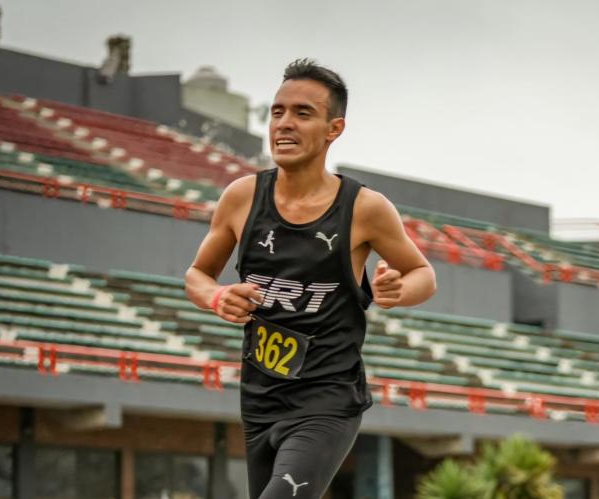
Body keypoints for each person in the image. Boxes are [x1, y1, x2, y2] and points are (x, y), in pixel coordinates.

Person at [185, 58, 437, 499]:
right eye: (277, 112)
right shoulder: (242, 197)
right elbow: (197, 276)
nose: (284, 124)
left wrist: (397, 291)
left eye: (302, 113)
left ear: (333, 129)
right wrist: (217, 296)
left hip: (326, 401)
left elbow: (423, 274)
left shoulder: (365, 208)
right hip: (259, 399)